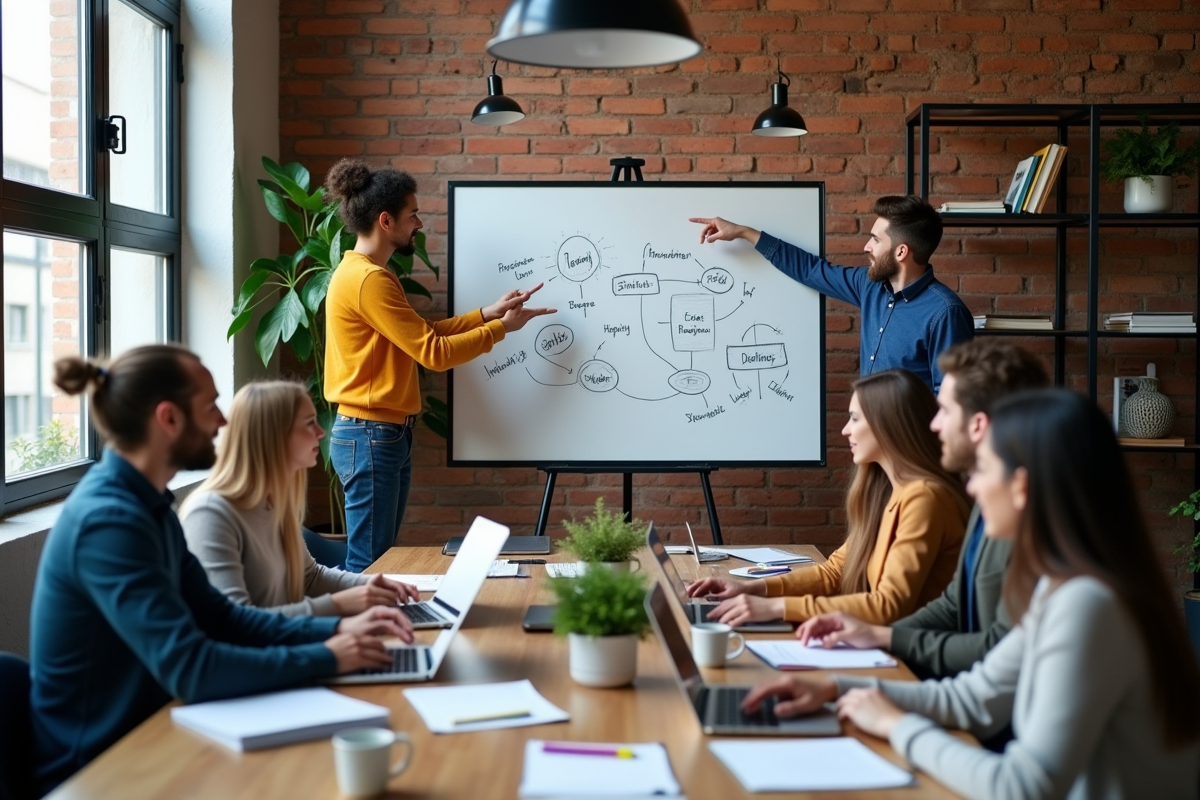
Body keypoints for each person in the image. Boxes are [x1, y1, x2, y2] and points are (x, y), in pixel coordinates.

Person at [742, 389, 1200, 800]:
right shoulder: (1060, 587)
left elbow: (1022, 786)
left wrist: (895, 725)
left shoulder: (1088, 604)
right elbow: (974, 699)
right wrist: (835, 687)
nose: (970, 486)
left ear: (1021, 486)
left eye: (982, 469)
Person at [29, 346, 414, 797]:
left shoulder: (147, 507)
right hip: (104, 767)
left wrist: (335, 635)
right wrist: (330, 653)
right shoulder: (109, 522)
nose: (223, 421)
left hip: (159, 734)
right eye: (210, 405)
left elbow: (225, 618)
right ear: (168, 418)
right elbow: (191, 667)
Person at [323, 159, 555, 572]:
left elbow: (424, 332)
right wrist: (502, 329)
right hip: (371, 435)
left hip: (378, 434)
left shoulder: (366, 273)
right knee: (368, 566)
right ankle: (364, 637)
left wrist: (487, 313)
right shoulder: (369, 280)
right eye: (412, 214)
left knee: (374, 562)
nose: (419, 224)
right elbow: (434, 352)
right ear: (385, 220)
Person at [795, 340, 1049, 680]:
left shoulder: (1016, 517)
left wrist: (884, 639)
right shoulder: (983, 501)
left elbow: (995, 651)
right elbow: (953, 605)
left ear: (977, 425)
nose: (933, 425)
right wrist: (879, 636)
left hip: (962, 692)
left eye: (944, 411)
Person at [688, 369, 970, 625]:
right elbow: (835, 572)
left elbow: (888, 605)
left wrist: (778, 609)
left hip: (913, 663)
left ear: (889, 425)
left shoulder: (925, 498)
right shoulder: (887, 491)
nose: (845, 429)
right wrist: (754, 590)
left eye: (855, 418)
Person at [181, 381, 421, 617]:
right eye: (309, 424)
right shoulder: (210, 513)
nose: (321, 432)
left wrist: (370, 586)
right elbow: (233, 622)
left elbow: (310, 577)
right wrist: (339, 606)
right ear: (273, 436)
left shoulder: (273, 504)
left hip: (286, 649)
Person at [690, 195, 972, 392]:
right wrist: (744, 232)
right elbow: (812, 270)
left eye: (875, 239)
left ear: (901, 251)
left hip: (914, 456)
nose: (866, 246)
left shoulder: (945, 313)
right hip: (875, 443)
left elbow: (950, 399)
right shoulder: (870, 286)